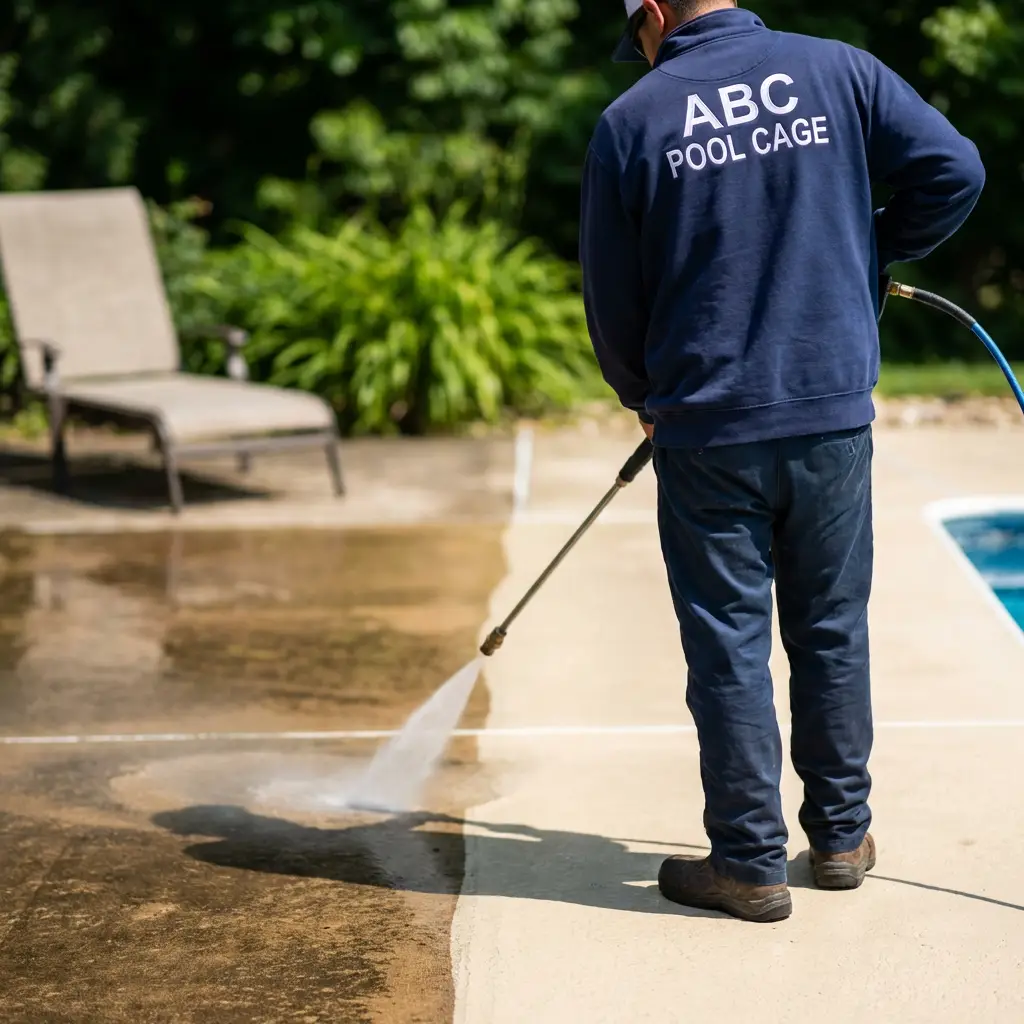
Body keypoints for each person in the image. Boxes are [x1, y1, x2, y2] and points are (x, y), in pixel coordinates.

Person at [580, 0, 984, 922]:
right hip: (828, 414)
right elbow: (956, 169)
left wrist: (644, 393)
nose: (640, 52)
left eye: (635, 35)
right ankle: (841, 840)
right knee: (831, 628)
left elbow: (611, 288)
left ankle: (750, 865)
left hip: (706, 426)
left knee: (728, 645)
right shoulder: (838, 69)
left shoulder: (632, 120)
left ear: (651, 13)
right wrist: (870, 250)